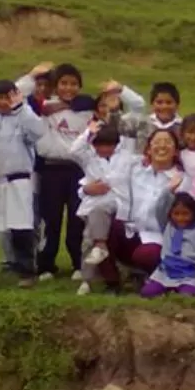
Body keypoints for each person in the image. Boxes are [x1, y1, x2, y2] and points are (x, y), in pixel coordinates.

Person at [93, 128, 189, 294]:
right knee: (103, 225)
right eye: (157, 142)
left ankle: (149, 275)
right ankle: (112, 282)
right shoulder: (135, 170)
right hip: (132, 231)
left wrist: (170, 191)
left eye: (167, 143)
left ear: (175, 151)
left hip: (158, 237)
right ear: (148, 149)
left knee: (146, 255)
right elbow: (119, 160)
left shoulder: (181, 179)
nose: (162, 146)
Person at [0, 80, 45, 288]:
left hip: (18, 181)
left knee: (21, 227)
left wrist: (21, 109)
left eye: (8, 97)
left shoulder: (23, 119)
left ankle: (26, 270)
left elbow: (39, 132)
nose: (3, 102)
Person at [31, 63, 97, 281]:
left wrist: (81, 102)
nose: (69, 88)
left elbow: (95, 106)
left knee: (78, 217)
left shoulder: (86, 108)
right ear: (55, 85)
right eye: (63, 83)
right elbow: (27, 101)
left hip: (79, 169)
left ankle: (78, 263)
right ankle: (46, 265)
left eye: (74, 84)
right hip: (51, 169)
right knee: (51, 219)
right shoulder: (44, 107)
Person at [70, 121, 128, 296]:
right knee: (89, 241)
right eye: (99, 145)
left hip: (120, 204)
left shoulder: (126, 157)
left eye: (108, 145)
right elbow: (73, 151)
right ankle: (87, 280)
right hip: (95, 205)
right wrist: (88, 132)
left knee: (108, 237)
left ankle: (119, 271)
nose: (103, 149)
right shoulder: (89, 157)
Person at [142, 191, 195, 298]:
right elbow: (160, 208)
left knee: (186, 296)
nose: (180, 218)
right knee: (147, 292)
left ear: (193, 213)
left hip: (191, 273)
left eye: (185, 214)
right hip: (166, 272)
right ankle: (166, 290)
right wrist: (169, 190)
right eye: (176, 214)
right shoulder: (168, 225)